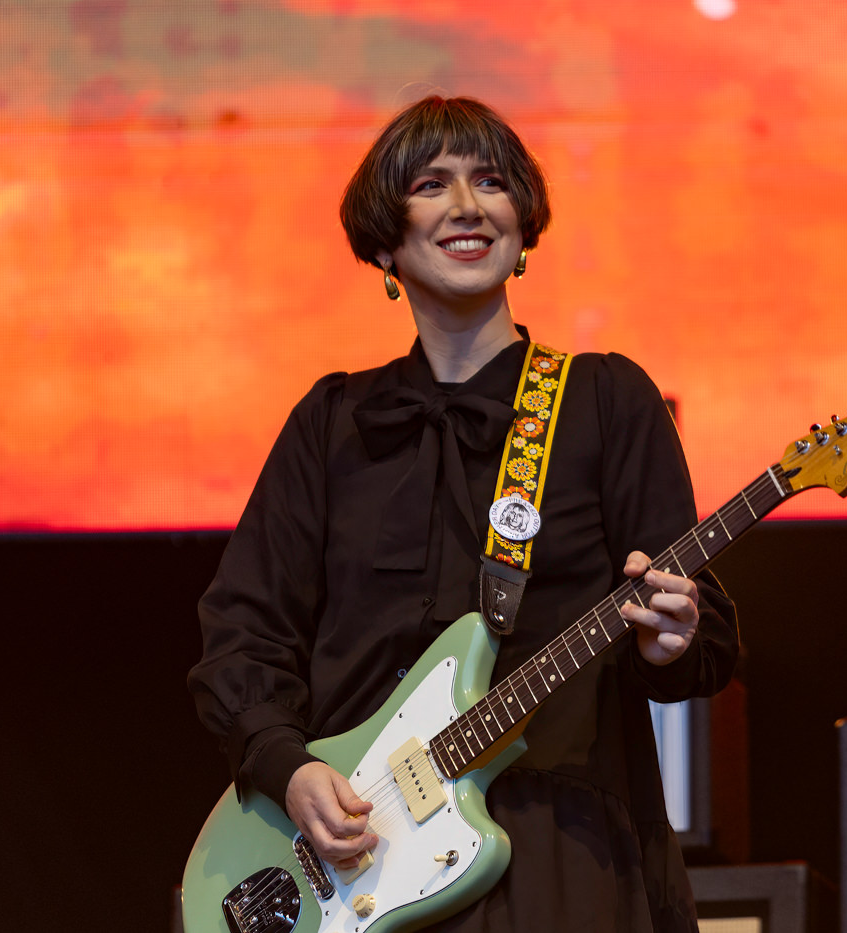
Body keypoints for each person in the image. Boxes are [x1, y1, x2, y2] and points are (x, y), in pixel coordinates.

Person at [188, 96, 739, 932]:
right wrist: (291, 769)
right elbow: (244, 630)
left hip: (561, 852)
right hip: (359, 859)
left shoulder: (604, 399)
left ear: (522, 225)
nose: (468, 206)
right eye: (432, 185)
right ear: (384, 241)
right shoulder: (334, 421)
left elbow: (690, 642)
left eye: (490, 181)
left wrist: (676, 634)